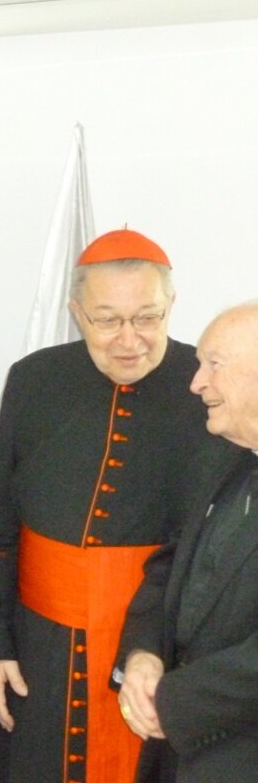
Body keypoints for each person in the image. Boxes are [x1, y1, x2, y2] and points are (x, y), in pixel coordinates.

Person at [0, 230, 240, 783]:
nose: (128, 340)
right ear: (76, 312)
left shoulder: (209, 391)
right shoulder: (34, 380)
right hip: (38, 654)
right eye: (106, 320)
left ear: (172, 307)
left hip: (157, 660)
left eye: (147, 318)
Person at [117, 302, 258, 783]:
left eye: (214, 364)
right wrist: (142, 655)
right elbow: (169, 568)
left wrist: (170, 700)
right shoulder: (219, 458)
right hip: (176, 759)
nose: (196, 383)